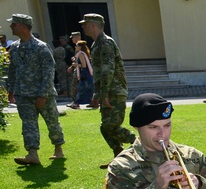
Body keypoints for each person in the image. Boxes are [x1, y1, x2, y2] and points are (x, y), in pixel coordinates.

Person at [7, 13, 66, 166]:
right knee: (28, 124)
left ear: (23, 26)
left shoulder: (40, 47)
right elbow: (12, 70)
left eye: (14, 24)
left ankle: (58, 149)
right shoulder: (14, 47)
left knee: (52, 122)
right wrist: (11, 89)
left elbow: (48, 71)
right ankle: (32, 154)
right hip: (23, 94)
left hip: (42, 94)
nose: (11, 27)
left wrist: (43, 94)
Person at [80, 13, 133, 167]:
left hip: (114, 91)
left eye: (85, 24)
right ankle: (118, 157)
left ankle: (138, 143)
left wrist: (104, 94)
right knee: (105, 127)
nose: (83, 27)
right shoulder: (96, 44)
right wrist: (98, 94)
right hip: (107, 91)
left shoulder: (105, 43)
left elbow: (107, 70)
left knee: (111, 126)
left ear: (93, 25)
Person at [69, 40, 94, 108]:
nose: (75, 47)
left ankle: (76, 103)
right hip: (86, 74)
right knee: (88, 88)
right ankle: (91, 102)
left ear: (80, 47)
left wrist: (75, 64)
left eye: (77, 45)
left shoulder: (81, 54)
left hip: (84, 74)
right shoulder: (83, 53)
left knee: (81, 88)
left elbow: (83, 65)